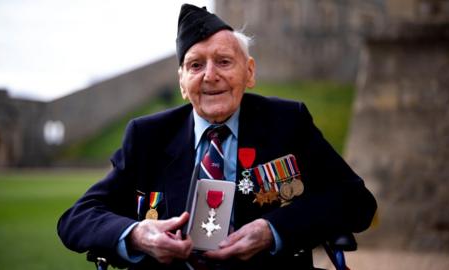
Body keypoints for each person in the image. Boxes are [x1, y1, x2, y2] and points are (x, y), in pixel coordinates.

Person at [57, 3, 377, 269]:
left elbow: (356, 201)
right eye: (196, 65)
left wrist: (274, 230)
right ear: (182, 82)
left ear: (249, 72)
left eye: (224, 61)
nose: (210, 76)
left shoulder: (287, 122)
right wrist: (138, 234)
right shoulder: (147, 136)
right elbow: (77, 218)